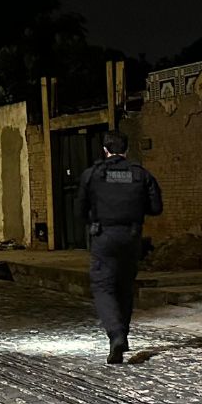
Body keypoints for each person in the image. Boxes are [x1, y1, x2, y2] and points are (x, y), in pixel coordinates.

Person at [79, 131, 163, 364]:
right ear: (126, 150)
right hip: (131, 236)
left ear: (105, 150)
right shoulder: (140, 174)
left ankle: (115, 335)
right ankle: (122, 334)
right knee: (125, 287)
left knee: (103, 287)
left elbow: (80, 209)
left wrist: (95, 222)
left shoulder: (93, 174)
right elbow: (156, 207)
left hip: (103, 237)